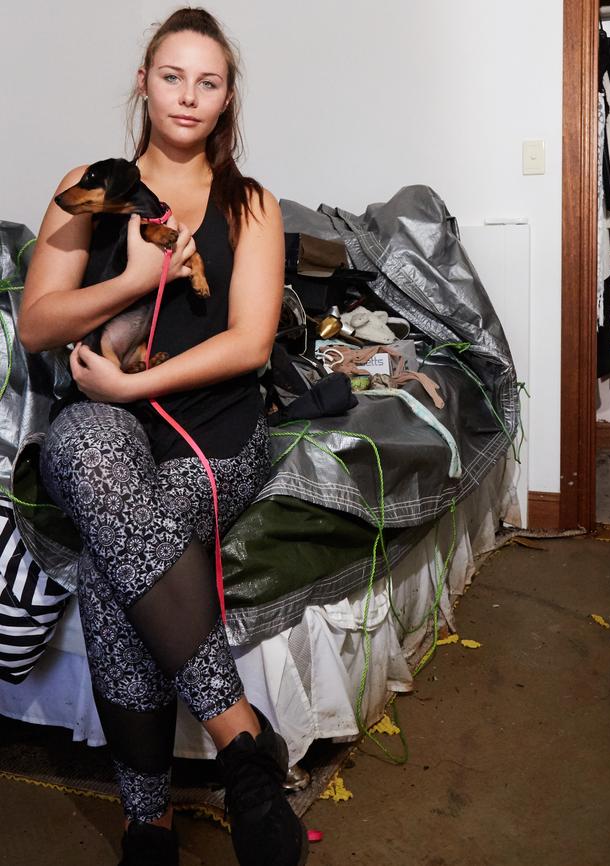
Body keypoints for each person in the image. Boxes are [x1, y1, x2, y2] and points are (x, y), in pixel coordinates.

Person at [18, 7, 308, 866]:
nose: (189, 96)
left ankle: (147, 821)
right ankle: (243, 741)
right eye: (173, 76)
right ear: (144, 83)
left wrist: (137, 382)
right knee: (90, 453)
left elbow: (251, 343)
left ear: (227, 100)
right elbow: (37, 324)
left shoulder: (251, 205)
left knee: (115, 563)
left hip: (210, 439)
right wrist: (138, 278)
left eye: (208, 82)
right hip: (105, 428)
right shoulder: (91, 186)